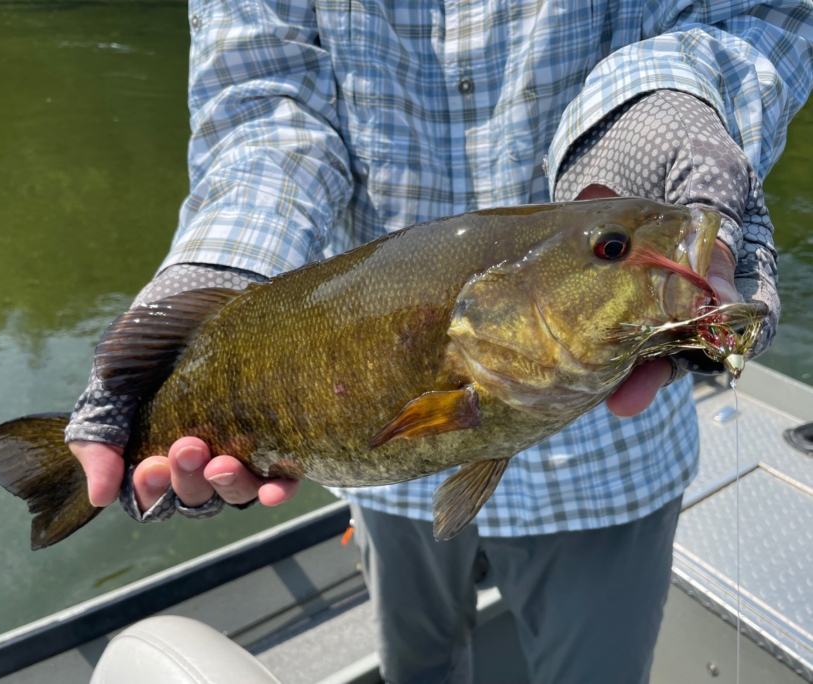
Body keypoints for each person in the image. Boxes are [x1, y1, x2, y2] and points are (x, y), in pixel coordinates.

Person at [66, 2, 813, 682]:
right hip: (382, 470)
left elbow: (762, 14)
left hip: (610, 467)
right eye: (617, 251)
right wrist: (215, 270)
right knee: (417, 669)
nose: (639, 252)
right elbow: (265, 111)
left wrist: (664, 109)